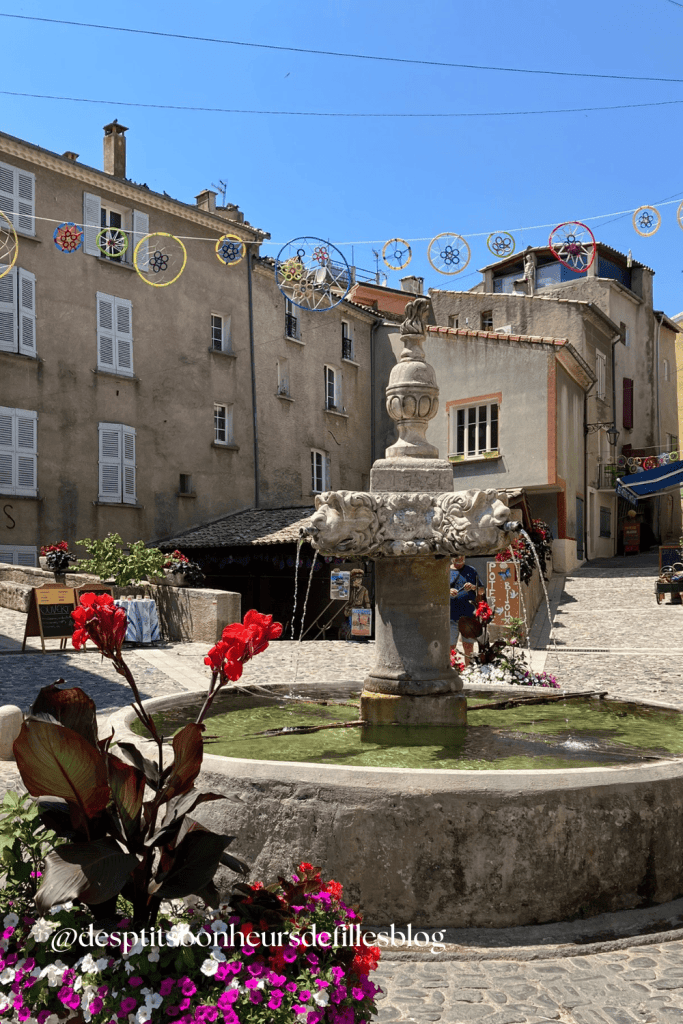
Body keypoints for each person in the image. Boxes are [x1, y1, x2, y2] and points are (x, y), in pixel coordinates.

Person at [450, 555, 485, 665]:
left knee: (469, 647)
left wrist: (474, 587)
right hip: (451, 616)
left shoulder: (471, 570)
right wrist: (448, 591)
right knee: (450, 647)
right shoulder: (445, 571)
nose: (460, 559)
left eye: (462, 556)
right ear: (451, 557)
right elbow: (437, 591)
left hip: (468, 616)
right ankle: (451, 670)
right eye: (456, 557)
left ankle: (469, 671)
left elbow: (482, 590)